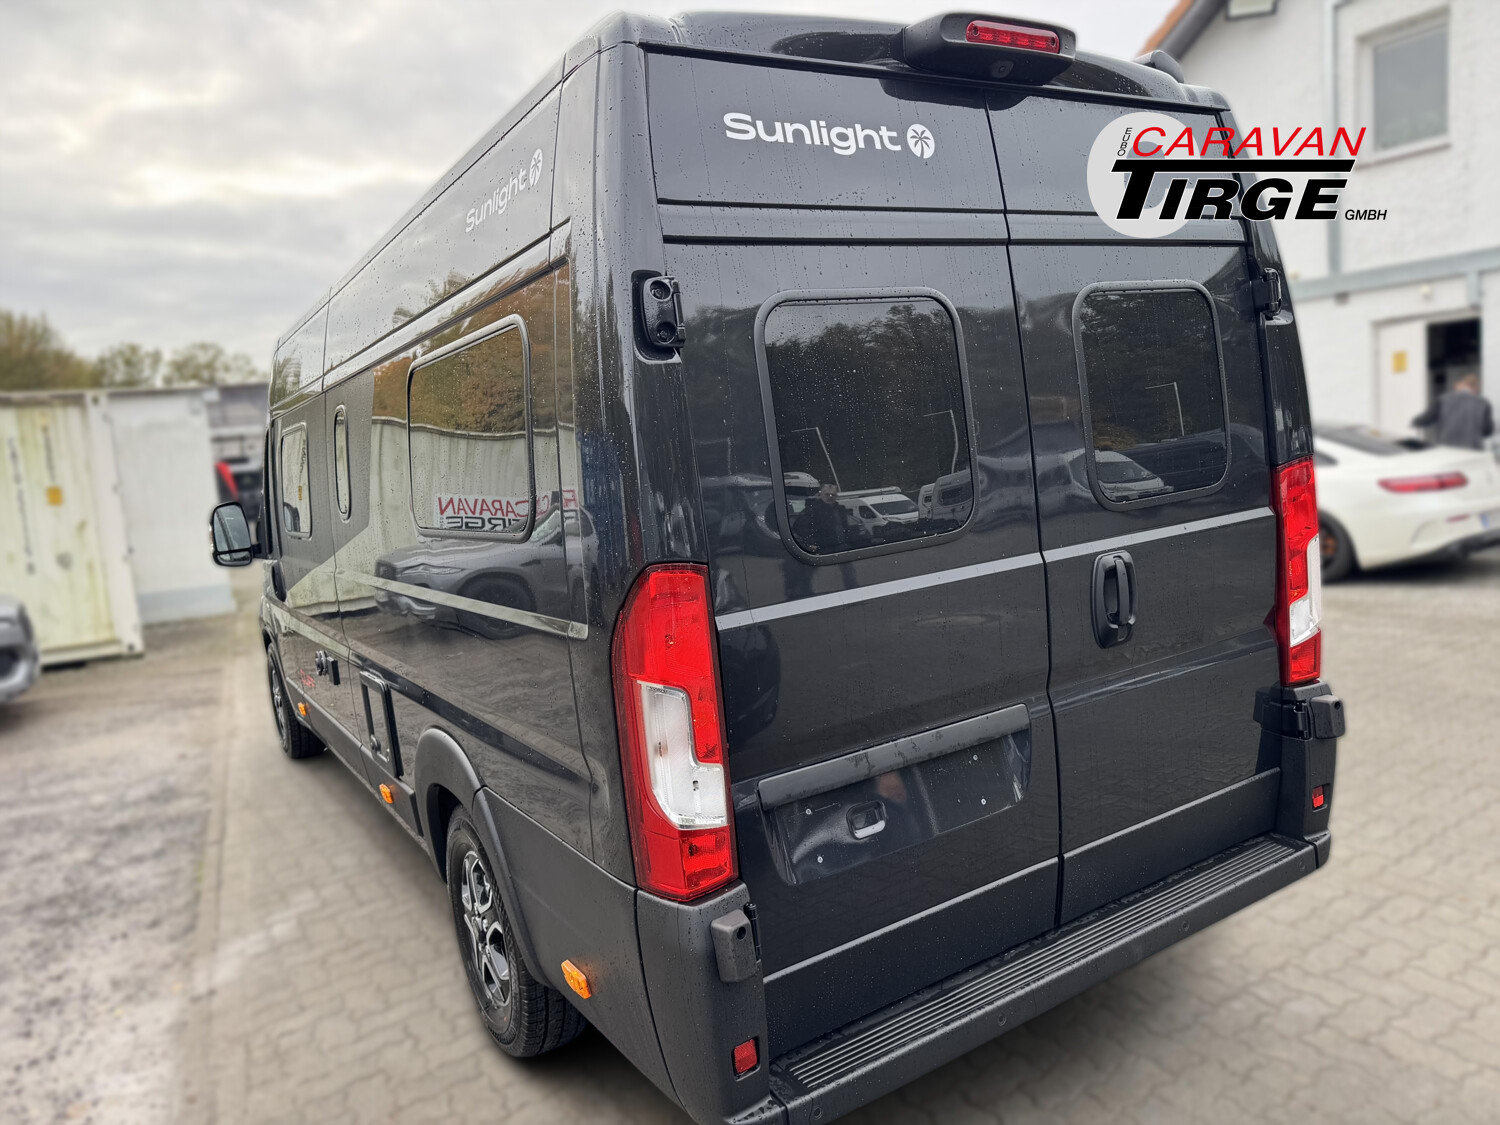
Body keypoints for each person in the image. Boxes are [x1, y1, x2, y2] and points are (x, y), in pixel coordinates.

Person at [1412, 373, 1495, 450]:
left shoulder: (1442, 400)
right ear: (1476, 388)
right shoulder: (1484, 403)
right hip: (1473, 450)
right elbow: (1487, 430)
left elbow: (1426, 419)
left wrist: (1415, 421)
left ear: (1458, 385)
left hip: (1448, 449)